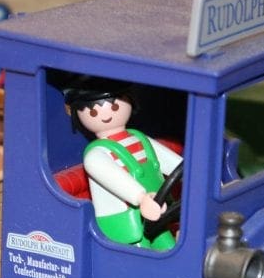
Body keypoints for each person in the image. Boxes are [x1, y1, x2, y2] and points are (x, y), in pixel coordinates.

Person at [65, 78, 182, 250]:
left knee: (170, 250)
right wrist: (141, 198)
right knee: (141, 256)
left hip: (158, 215)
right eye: (94, 112)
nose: (106, 115)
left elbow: (175, 164)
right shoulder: (95, 155)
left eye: (114, 107)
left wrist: (195, 176)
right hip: (125, 225)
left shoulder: (140, 138)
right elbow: (116, 178)